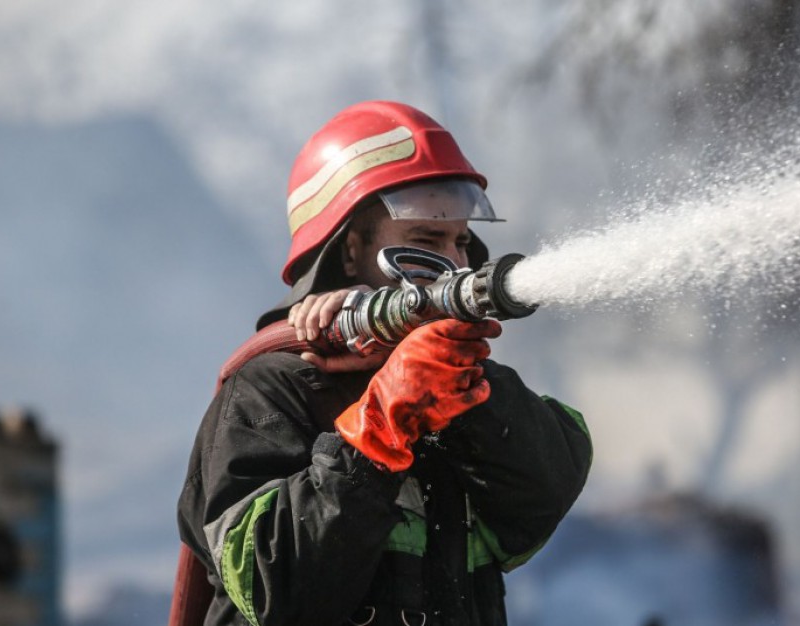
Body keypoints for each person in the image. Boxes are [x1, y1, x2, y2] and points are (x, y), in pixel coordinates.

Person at [177, 101, 592, 626]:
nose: (454, 265)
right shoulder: (269, 388)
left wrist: (466, 389)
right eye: (425, 241)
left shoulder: (456, 386)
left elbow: (545, 490)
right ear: (350, 252)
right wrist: (375, 433)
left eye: (461, 241)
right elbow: (272, 588)